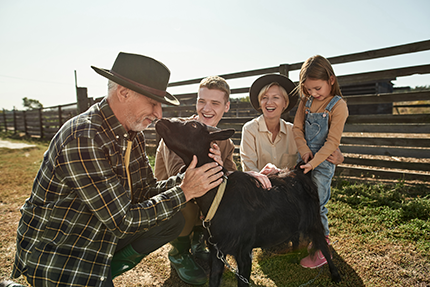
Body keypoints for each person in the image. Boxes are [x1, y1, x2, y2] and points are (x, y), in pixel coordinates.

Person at [9, 52, 224, 287]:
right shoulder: (84, 137)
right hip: (63, 247)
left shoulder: (133, 134)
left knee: (172, 220)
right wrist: (184, 191)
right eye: (153, 103)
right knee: (170, 209)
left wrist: (189, 179)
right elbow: (123, 220)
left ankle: (103, 272)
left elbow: (146, 190)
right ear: (124, 93)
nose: (159, 113)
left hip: (100, 229)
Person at [154, 75, 271, 285]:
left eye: (215, 103)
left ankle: (199, 241)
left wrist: (229, 171)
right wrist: (212, 167)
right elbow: (180, 179)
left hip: (203, 200)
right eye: (202, 101)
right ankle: (179, 252)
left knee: (220, 200)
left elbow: (230, 181)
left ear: (226, 107)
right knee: (190, 201)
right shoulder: (178, 132)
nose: (206, 109)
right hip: (173, 200)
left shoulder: (224, 141)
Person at [293, 55, 349, 269]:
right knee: (303, 200)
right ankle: (308, 237)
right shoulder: (306, 102)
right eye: (308, 89)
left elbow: (332, 141)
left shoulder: (338, 106)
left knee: (318, 205)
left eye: (317, 88)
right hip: (305, 158)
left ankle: (321, 248)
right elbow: (297, 129)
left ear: (331, 80)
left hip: (323, 163)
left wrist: (314, 162)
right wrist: (305, 151)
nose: (313, 94)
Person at [240, 74, 344, 174]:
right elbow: (249, 169)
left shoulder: (294, 131)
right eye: (264, 97)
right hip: (259, 188)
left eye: (275, 97)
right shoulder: (250, 129)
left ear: (285, 103)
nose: (269, 102)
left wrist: (339, 158)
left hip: (288, 188)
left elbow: (314, 153)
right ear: (260, 102)